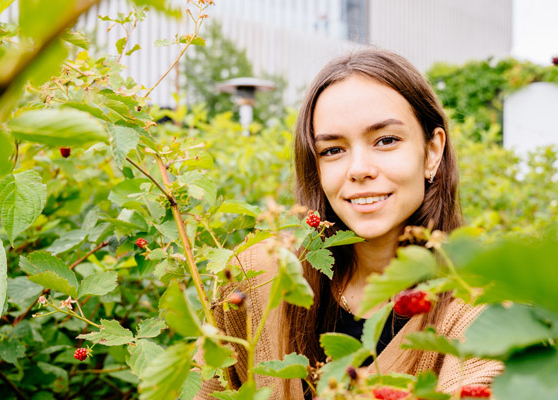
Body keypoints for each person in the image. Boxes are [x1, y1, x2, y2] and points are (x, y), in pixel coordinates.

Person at [197, 48, 502, 399]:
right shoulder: (256, 276)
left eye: (386, 140)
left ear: (432, 151)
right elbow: (209, 386)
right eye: (332, 150)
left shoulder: (481, 303)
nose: (359, 169)